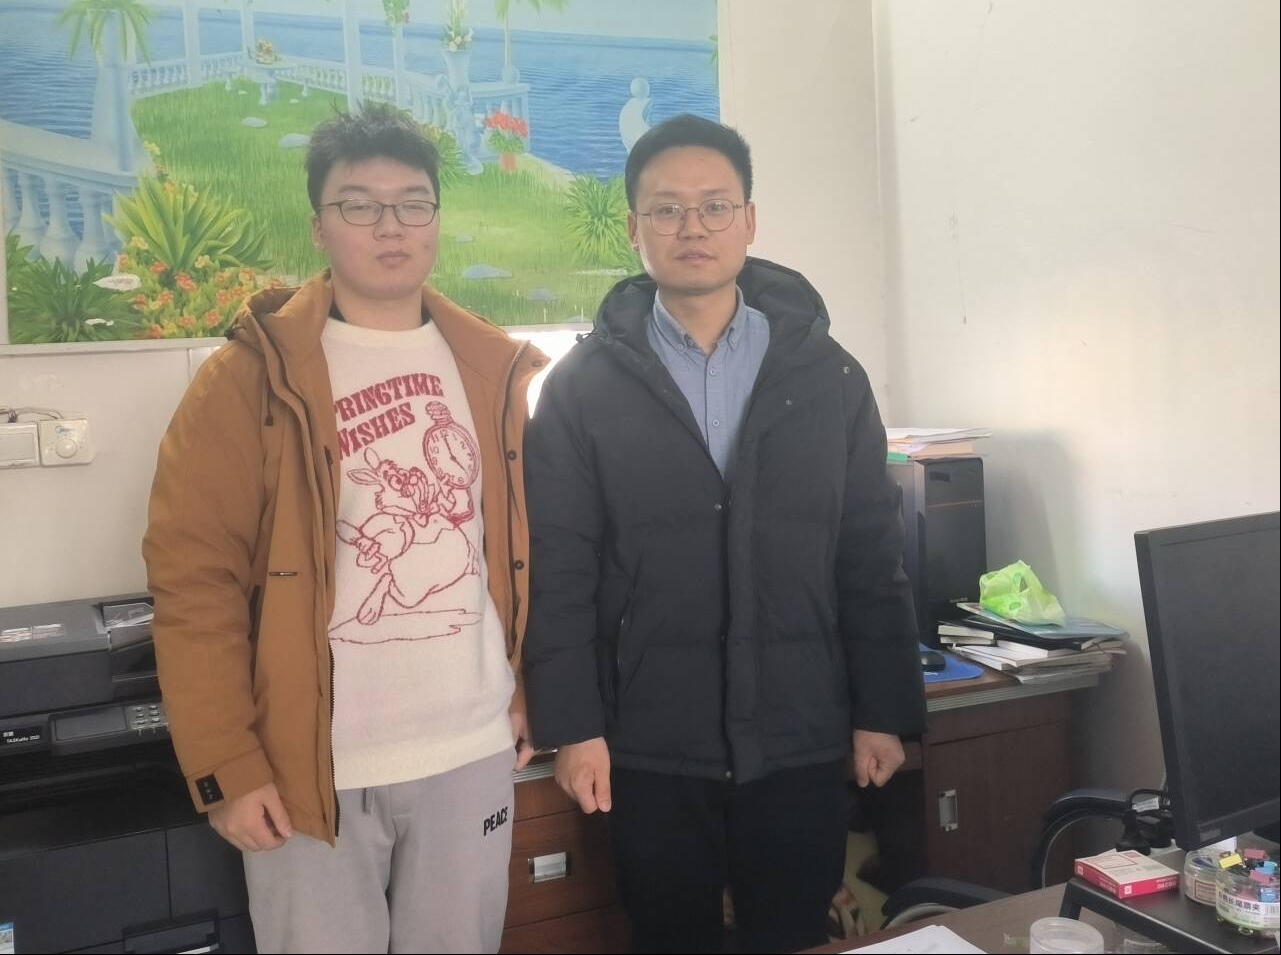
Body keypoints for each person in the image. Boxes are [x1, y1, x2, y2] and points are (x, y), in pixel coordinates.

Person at [142, 102, 546, 954]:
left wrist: (520, 691)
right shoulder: (249, 377)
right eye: (359, 205)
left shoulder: (489, 367)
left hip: (467, 748)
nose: (389, 226)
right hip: (308, 767)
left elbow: (511, 554)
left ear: (436, 218)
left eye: (412, 203)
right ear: (319, 226)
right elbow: (194, 581)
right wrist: (225, 765)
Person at [521, 114, 927, 954]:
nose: (691, 227)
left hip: (799, 730)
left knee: (792, 936)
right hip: (648, 743)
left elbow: (868, 553)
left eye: (713, 205)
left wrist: (882, 711)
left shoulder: (828, 375)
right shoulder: (580, 389)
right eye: (665, 209)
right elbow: (560, 570)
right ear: (632, 228)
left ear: (749, 219)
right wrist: (575, 726)